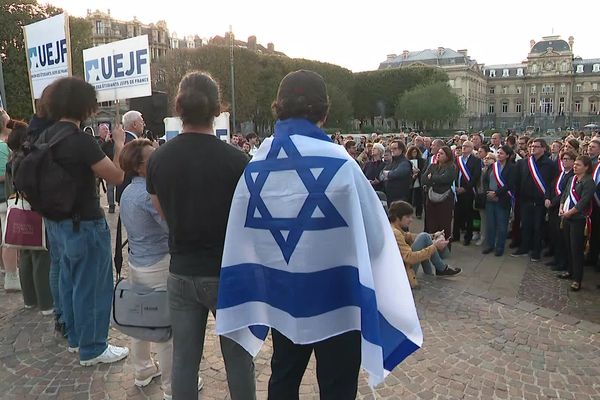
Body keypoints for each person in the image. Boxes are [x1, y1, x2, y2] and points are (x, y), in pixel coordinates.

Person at [215, 70, 422, 399]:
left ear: (277, 109)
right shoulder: (341, 164)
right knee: (338, 387)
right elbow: (378, 241)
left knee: (283, 376)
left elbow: (246, 238)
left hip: (283, 297)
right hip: (337, 299)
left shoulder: (254, 167)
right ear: (324, 112)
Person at [146, 71, 255, 399]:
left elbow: (163, 213)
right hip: (228, 272)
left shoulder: (158, 158)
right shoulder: (238, 161)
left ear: (179, 108)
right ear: (217, 109)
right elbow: (248, 221)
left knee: (184, 361)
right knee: (238, 360)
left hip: (181, 270)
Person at [40, 77, 128, 366]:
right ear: (84, 106)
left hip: (57, 222)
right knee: (92, 285)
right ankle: (94, 348)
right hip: (85, 222)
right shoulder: (80, 140)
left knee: (69, 281)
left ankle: (76, 339)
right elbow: (116, 176)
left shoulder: (46, 136)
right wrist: (118, 145)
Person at [119, 139, 203, 399]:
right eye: (152, 159)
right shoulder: (147, 194)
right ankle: (171, 385)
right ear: (140, 167)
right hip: (158, 263)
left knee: (140, 318)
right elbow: (171, 227)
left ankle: (143, 370)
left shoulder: (127, 191)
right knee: (167, 328)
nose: (158, 162)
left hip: (137, 261)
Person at [5, 122, 54, 314]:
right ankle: (46, 303)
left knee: (25, 254)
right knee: (41, 255)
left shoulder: (12, 159)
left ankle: (29, 299)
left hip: (17, 209)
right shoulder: (24, 159)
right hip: (32, 209)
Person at [389, 200, 461, 289]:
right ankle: (440, 269)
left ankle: (433, 273)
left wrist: (433, 236)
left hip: (402, 267)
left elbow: (409, 236)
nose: (411, 220)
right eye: (408, 217)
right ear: (397, 217)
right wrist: (435, 246)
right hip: (404, 272)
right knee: (425, 238)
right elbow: (409, 258)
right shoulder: (396, 232)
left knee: (425, 237)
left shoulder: (393, 228)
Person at [512, 139, 557, 261]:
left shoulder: (550, 164)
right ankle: (524, 247)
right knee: (525, 226)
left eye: (536, 146)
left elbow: (552, 183)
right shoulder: (523, 163)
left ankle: (536, 251)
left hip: (540, 202)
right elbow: (517, 181)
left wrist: (548, 198)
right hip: (525, 200)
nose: (533, 148)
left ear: (543, 148)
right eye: (531, 146)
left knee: (538, 227)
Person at [558, 155, 595, 291]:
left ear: (586, 167)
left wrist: (570, 212)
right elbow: (565, 194)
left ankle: (577, 279)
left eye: (578, 165)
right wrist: (562, 206)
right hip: (567, 216)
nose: (575, 167)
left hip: (578, 219)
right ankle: (570, 270)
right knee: (568, 245)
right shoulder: (572, 179)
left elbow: (583, 202)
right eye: (575, 165)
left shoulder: (588, 182)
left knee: (576, 249)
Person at [482, 145, 516, 256]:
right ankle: (489, 245)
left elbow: (510, 184)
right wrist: (488, 192)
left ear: (507, 155)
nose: (499, 155)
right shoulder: (493, 166)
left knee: (502, 225)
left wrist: (497, 193)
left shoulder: (511, 168)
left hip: (502, 199)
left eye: (501, 153)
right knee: (490, 224)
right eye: (498, 153)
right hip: (490, 198)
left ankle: (500, 247)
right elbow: (485, 180)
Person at [0, 110, 20, 291]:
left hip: (6, 199)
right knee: (10, 238)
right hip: (5, 199)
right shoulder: (3, 147)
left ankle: (8, 270)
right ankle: (11, 275)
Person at [545, 150, 575, 271]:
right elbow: (550, 186)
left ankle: (563, 262)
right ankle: (557, 259)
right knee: (555, 236)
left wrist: (553, 202)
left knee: (562, 238)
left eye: (567, 159)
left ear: (573, 161)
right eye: (563, 159)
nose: (564, 161)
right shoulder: (560, 173)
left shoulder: (572, 176)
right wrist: (547, 197)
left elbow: (564, 193)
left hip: (561, 209)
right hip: (552, 208)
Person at [422, 146, 458, 238]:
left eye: (441, 153)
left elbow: (445, 179)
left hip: (445, 199)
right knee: (432, 224)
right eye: (438, 152)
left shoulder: (451, 167)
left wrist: (432, 178)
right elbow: (424, 179)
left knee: (444, 225)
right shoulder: (432, 166)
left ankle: (444, 248)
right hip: (431, 198)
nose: (438, 154)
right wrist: (434, 179)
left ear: (448, 156)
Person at [452, 141, 481, 246]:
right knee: (456, 214)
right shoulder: (457, 160)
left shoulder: (476, 161)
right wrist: (455, 187)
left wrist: (465, 188)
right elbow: (454, 174)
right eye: (463, 146)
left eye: (466, 146)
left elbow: (475, 177)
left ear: (472, 148)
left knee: (469, 215)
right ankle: (455, 236)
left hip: (468, 192)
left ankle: (467, 238)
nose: (464, 148)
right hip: (457, 191)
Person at [116, 110, 144, 203]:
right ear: (135, 124)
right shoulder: (132, 144)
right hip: (131, 192)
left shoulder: (122, 139)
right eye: (142, 122)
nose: (144, 125)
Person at [97, 123, 116, 213]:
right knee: (98, 186)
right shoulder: (98, 141)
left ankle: (112, 205)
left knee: (110, 187)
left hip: (112, 166)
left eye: (107, 129)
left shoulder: (112, 141)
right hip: (101, 167)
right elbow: (99, 151)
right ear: (99, 132)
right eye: (104, 129)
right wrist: (106, 142)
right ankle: (98, 205)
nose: (106, 131)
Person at [407, 145, 425, 218]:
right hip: (411, 180)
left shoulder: (421, 160)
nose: (414, 153)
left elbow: (424, 170)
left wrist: (419, 172)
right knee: (409, 197)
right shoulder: (407, 161)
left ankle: (419, 213)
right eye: (412, 152)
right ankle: (409, 213)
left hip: (419, 180)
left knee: (419, 198)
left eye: (415, 152)